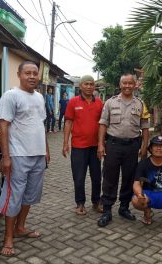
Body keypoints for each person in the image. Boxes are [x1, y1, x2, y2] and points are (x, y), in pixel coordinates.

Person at [0, 61, 50, 257]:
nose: (31, 76)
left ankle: (20, 228)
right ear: (19, 74)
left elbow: (40, 124)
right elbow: (3, 126)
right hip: (18, 155)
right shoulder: (11, 96)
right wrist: (6, 157)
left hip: (37, 155)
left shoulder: (39, 97)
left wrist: (46, 149)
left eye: (35, 73)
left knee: (30, 195)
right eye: (27, 73)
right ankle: (8, 237)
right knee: (14, 197)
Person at [97, 73, 150, 227]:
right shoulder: (110, 103)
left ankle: (124, 207)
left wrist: (144, 147)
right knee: (109, 177)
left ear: (135, 85)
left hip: (132, 146)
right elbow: (103, 124)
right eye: (124, 83)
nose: (127, 86)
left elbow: (145, 128)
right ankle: (107, 209)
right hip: (113, 145)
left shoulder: (140, 104)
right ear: (120, 85)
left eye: (130, 83)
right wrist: (101, 144)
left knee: (129, 177)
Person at [62, 75, 104, 215]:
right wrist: (65, 143)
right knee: (79, 177)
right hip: (78, 146)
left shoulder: (99, 103)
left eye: (91, 84)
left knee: (97, 176)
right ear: (80, 86)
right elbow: (68, 122)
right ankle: (80, 203)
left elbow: (103, 125)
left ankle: (96, 202)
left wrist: (101, 144)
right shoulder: (73, 102)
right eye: (86, 84)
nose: (89, 86)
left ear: (94, 86)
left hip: (95, 147)